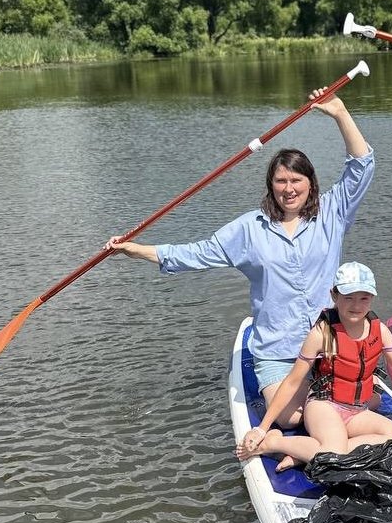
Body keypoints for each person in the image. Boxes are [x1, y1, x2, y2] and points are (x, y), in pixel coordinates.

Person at [106, 87, 373, 430]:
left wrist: (339, 112)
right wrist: (135, 249)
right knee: (293, 418)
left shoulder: (331, 213)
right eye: (280, 181)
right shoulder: (250, 229)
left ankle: (322, 415)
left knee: (332, 411)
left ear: (311, 183)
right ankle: (298, 413)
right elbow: (198, 253)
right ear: (270, 185)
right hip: (278, 349)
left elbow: (361, 166)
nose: (288, 188)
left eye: (296, 180)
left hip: (328, 344)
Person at [235, 262, 392, 468]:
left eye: (364, 298)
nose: (356, 305)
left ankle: (308, 451)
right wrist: (262, 428)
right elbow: (293, 381)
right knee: (336, 454)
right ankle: (277, 442)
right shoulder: (321, 334)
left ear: (372, 298)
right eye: (348, 297)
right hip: (324, 406)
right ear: (334, 296)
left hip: (356, 410)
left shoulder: (380, 330)